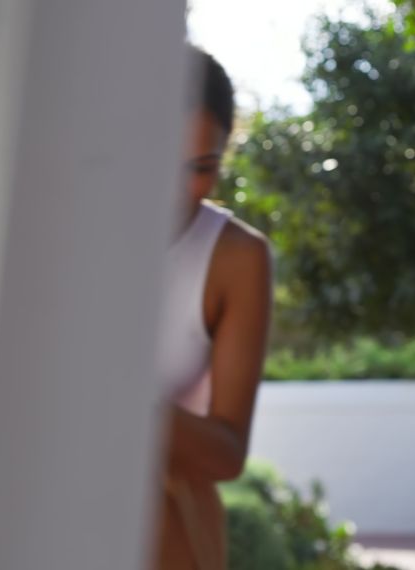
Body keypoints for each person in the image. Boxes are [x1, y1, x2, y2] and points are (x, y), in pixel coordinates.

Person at [154, 46, 273, 570]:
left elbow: (226, 453)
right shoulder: (61, 226)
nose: (177, 190)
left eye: (203, 167)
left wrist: (105, 401)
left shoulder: (236, 257)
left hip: (166, 534)